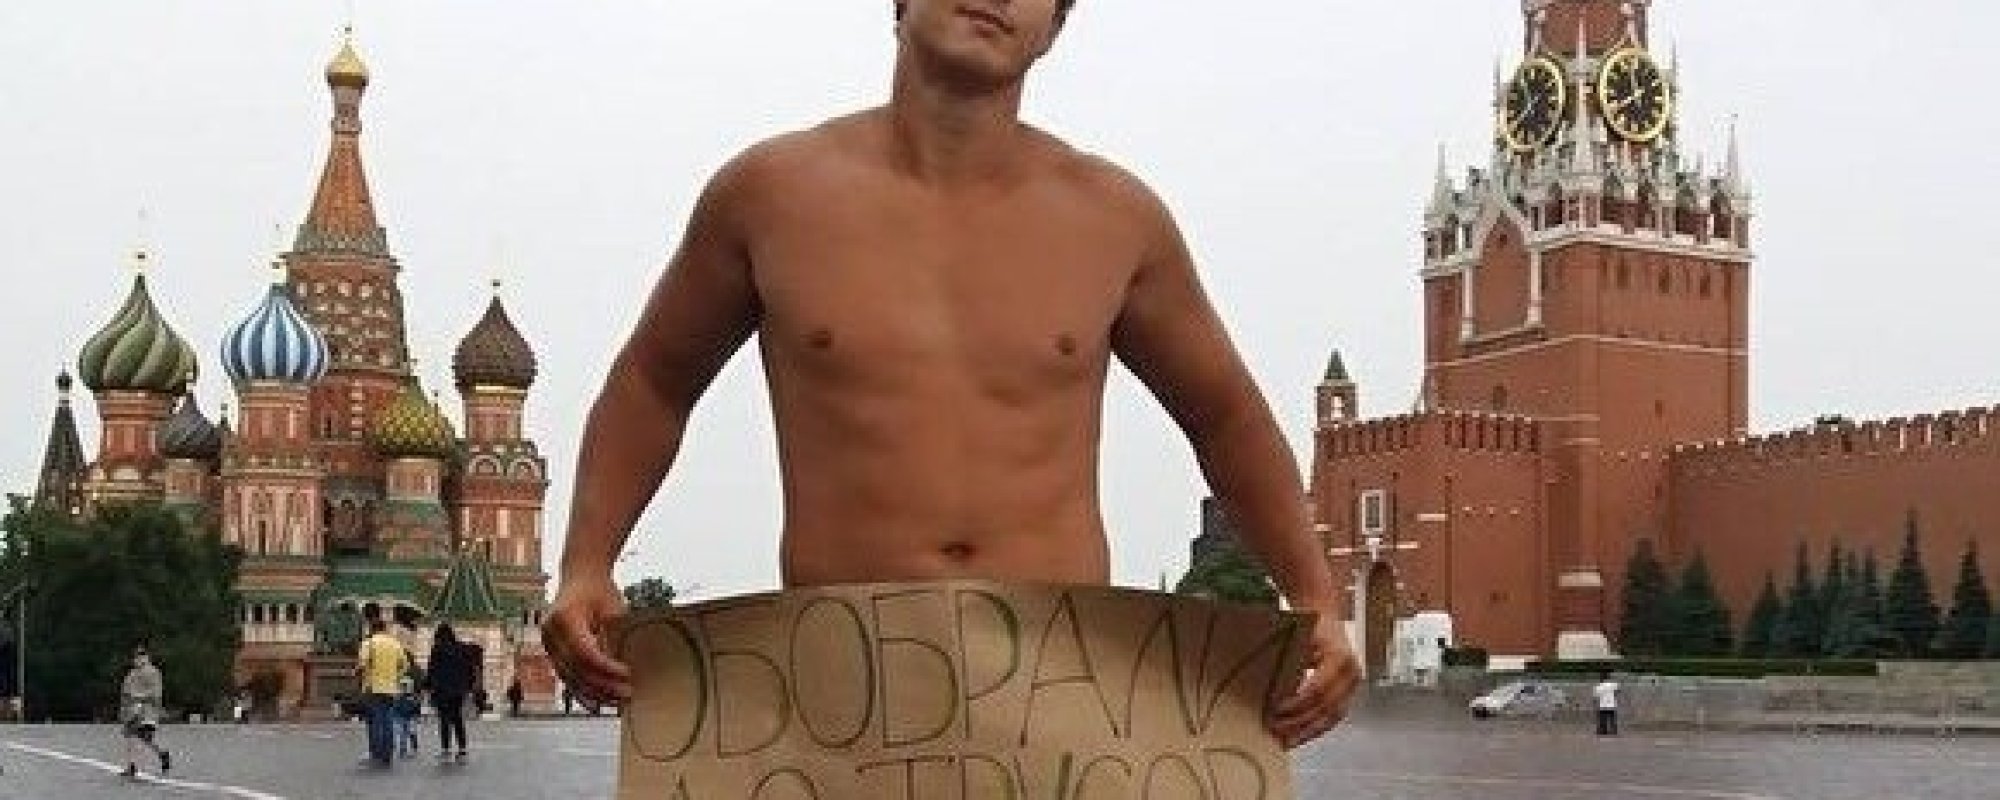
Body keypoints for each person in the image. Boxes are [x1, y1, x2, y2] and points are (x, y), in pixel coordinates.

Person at [541, 0, 1360, 750]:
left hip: (1056, 685)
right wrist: (587, 563)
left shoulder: (1115, 220)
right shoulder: (771, 197)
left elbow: (1225, 416)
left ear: (1056, 27)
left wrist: (1314, 598)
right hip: (845, 688)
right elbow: (655, 380)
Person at [354, 618, 406, 766]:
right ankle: (387, 753)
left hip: (373, 687)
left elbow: (362, 664)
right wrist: (396, 677)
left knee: (375, 720)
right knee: (387, 720)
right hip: (391, 688)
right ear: (385, 629)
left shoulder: (369, 643)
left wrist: (357, 673)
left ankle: (376, 753)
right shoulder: (395, 644)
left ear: (372, 629)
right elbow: (404, 665)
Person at [424, 623, 477, 764]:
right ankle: (462, 749)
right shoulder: (462, 648)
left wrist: (428, 686)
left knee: (444, 720)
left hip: (442, 690)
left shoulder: (437, 649)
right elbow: (470, 669)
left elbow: (432, 669)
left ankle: (446, 750)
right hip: (459, 690)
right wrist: (469, 686)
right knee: (458, 718)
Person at [118, 646, 171, 778]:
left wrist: (140, 698)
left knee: (144, 736)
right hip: (133, 710)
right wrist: (124, 707)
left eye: (141, 656)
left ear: (147, 658)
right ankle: (132, 765)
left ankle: (160, 754)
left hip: (148, 710)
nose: (138, 659)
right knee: (132, 735)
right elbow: (125, 692)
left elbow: (156, 693)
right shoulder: (131, 674)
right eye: (136, 657)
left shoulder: (153, 672)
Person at [1594, 671, 1621, 736]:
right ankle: (1613, 729)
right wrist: (1614, 694)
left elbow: (1596, 697)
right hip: (1611, 704)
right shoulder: (1613, 685)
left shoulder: (1599, 686)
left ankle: (1603, 730)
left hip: (1603, 705)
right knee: (1612, 718)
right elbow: (1618, 691)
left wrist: (1596, 705)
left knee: (1603, 718)